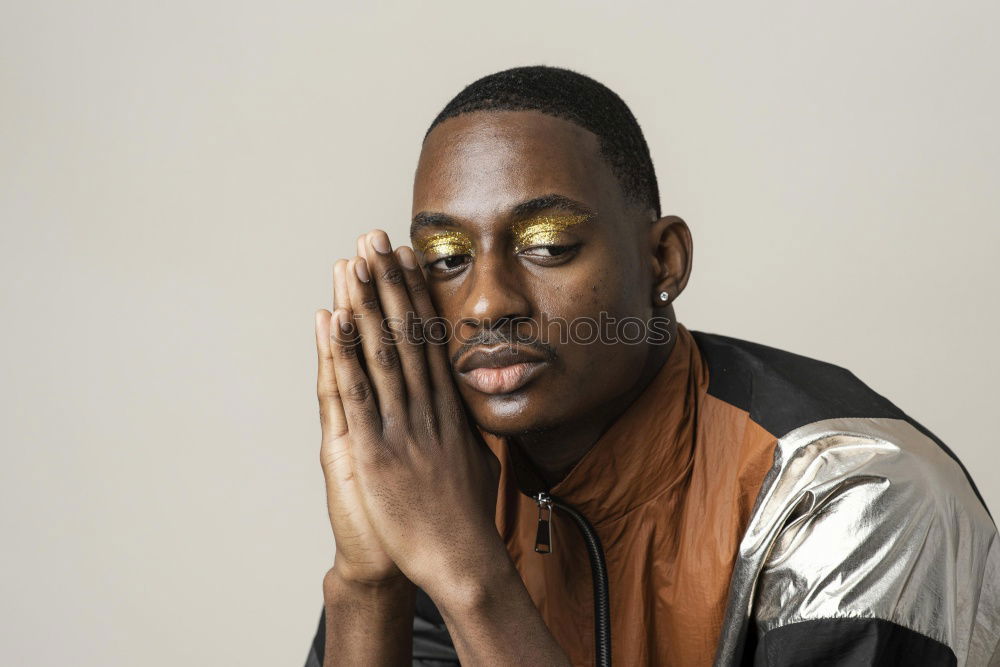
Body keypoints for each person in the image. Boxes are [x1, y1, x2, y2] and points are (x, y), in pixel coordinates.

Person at [305, 66, 1000, 666]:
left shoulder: (853, 494)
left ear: (663, 260)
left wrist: (468, 574)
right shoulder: (444, 477)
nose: (487, 302)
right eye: (446, 260)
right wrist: (368, 582)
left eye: (547, 245)